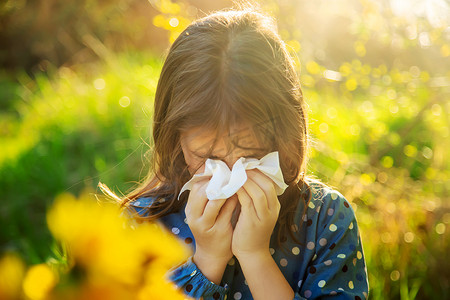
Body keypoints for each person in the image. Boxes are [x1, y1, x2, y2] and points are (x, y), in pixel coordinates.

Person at [121, 4, 368, 300]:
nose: (230, 176)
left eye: (250, 156)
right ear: (175, 139)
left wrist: (255, 257)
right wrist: (207, 261)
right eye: (209, 159)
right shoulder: (142, 225)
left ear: (284, 137)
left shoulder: (325, 219)